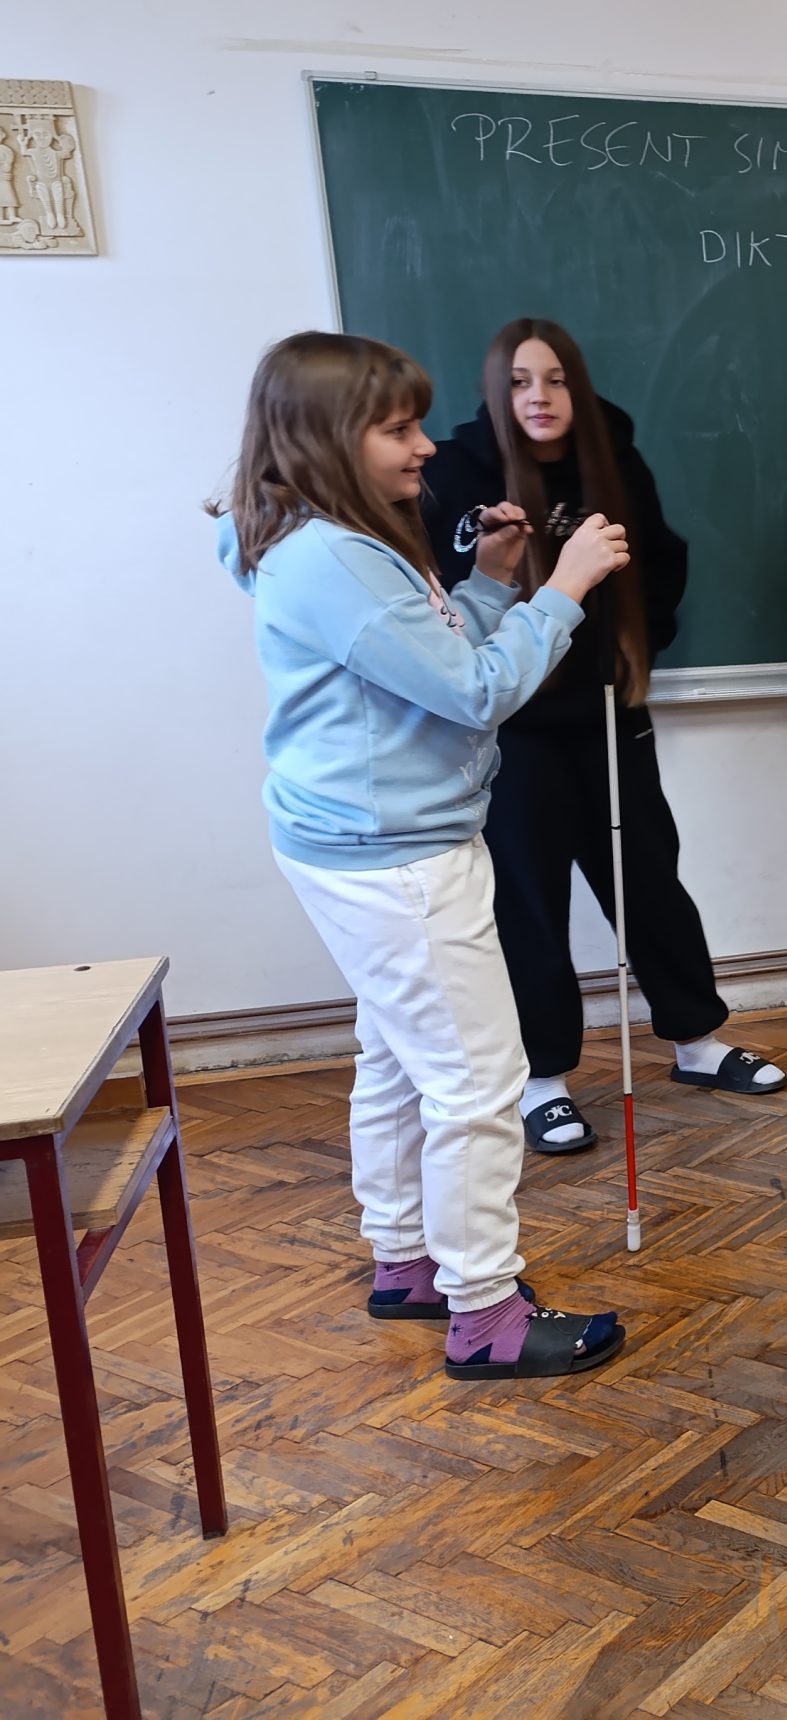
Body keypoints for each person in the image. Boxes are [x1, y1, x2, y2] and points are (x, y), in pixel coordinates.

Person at [212, 329, 629, 1379]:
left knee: (400, 1057)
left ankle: (407, 1261)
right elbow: (477, 691)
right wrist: (563, 588)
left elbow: (432, 662)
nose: (425, 447)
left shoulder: (331, 541)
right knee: (479, 1081)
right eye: (396, 429)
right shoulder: (333, 560)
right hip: (394, 859)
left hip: (365, 841)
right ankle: (484, 1314)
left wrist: (488, 582)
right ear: (326, 438)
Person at [423, 319, 784, 1156]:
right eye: (520, 382)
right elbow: (441, 595)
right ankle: (541, 1080)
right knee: (529, 898)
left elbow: (660, 564)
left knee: (649, 876)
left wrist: (632, 644)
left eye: (555, 380)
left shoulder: (612, 454)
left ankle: (696, 1040)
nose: (539, 397)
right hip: (514, 727)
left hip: (609, 711)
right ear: (497, 391)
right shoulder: (458, 469)